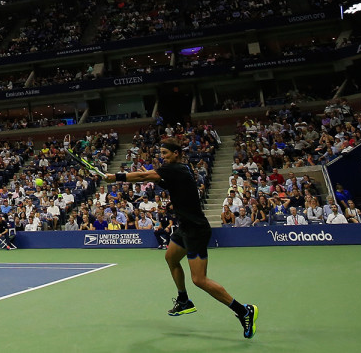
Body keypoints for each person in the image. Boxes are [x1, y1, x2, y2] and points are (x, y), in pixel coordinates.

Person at [100, 139, 257, 339]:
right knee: (171, 258)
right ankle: (184, 301)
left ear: (176, 153)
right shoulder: (179, 170)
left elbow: (143, 175)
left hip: (196, 231)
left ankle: (244, 311)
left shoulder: (175, 168)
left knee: (199, 280)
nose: (162, 157)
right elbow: (160, 181)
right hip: (185, 227)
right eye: (161, 153)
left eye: (165, 153)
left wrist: (116, 177)